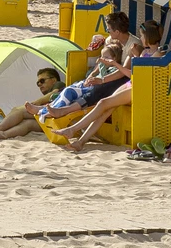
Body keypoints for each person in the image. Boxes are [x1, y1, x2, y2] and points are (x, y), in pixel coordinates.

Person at [54, 21, 164, 151]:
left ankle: (73, 130)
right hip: (132, 83)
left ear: (149, 36)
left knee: (103, 103)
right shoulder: (144, 52)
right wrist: (135, 56)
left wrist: (115, 64)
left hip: (140, 88)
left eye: (142, 36)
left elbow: (139, 76)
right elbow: (133, 74)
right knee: (105, 110)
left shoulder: (158, 54)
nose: (140, 39)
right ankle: (80, 142)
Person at [0, 68, 65, 140]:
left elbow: (54, 94)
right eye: (38, 83)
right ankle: (3, 135)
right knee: (27, 124)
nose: (40, 84)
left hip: (56, 115)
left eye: (42, 81)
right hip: (54, 122)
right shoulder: (49, 94)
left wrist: (38, 102)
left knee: (18, 110)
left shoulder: (59, 85)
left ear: (53, 80)